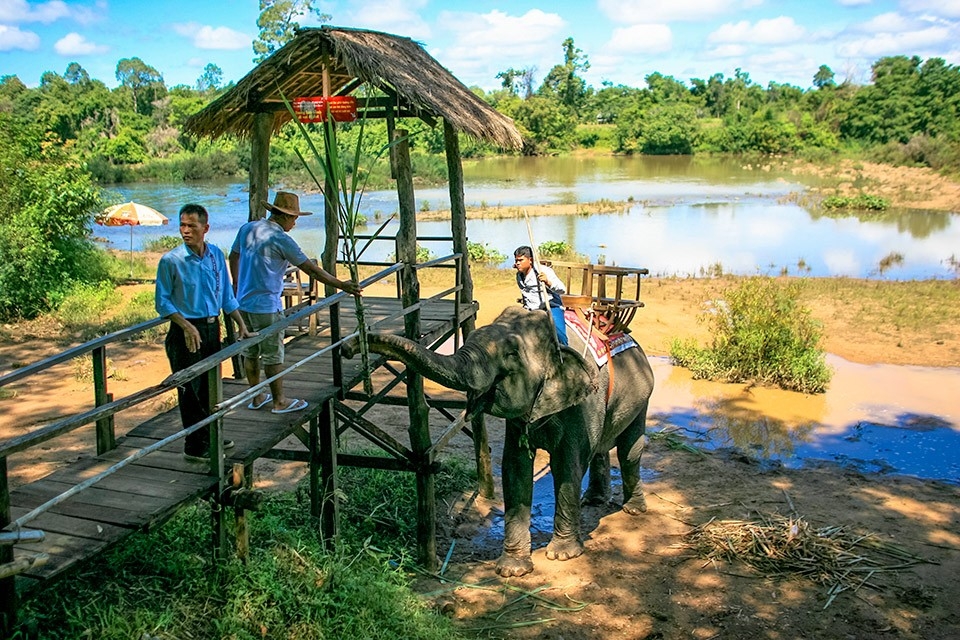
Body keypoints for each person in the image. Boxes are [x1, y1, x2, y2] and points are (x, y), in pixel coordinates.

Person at [230, 191, 362, 415]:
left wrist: (236, 283)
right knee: (273, 354)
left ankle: (256, 396)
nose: (295, 222)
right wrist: (342, 284)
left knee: (250, 351)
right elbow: (310, 269)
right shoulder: (281, 239)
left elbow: (234, 256)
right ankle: (279, 401)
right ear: (283, 216)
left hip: (242, 303)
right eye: (294, 218)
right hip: (266, 305)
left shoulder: (248, 229)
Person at [155, 203, 256, 462]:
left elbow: (225, 296)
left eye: (192, 226)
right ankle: (194, 445)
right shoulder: (171, 261)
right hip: (186, 331)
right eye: (182, 225)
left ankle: (211, 433)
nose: (186, 231)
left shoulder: (214, 255)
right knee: (191, 388)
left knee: (211, 387)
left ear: (205, 228)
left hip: (211, 329)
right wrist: (185, 324)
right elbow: (163, 302)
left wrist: (241, 325)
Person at [514, 245, 569, 346]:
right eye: (516, 260)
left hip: (550, 307)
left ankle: (565, 355)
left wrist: (548, 282)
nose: (517, 263)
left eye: (520, 260)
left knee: (559, 336)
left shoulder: (543, 271)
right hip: (530, 310)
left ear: (530, 260)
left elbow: (562, 289)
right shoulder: (519, 276)